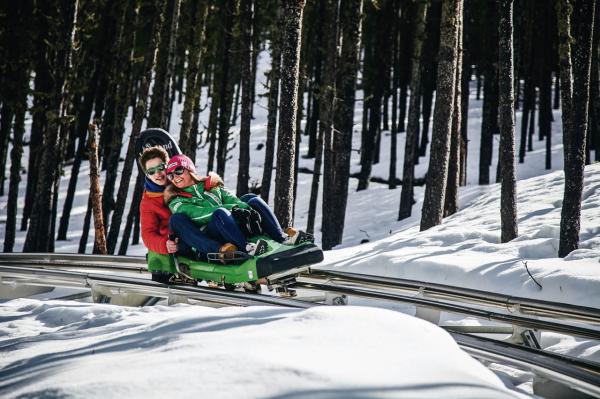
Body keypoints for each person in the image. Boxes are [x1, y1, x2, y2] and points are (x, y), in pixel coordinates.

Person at [164, 154, 312, 259]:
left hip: (230, 225)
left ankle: (282, 238)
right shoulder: (176, 200)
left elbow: (233, 199)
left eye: (178, 171)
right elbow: (197, 214)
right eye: (171, 176)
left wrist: (244, 209)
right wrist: (231, 209)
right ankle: (247, 248)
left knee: (251, 199)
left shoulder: (211, 186)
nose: (175, 178)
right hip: (211, 232)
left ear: (189, 169)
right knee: (219, 212)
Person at [139, 147, 227, 277]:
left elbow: (200, 191)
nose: (157, 173)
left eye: (161, 167)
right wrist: (164, 244)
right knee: (178, 219)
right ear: (147, 174)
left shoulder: (180, 181)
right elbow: (147, 234)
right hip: (179, 242)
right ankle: (220, 251)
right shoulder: (149, 202)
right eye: (151, 171)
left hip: (202, 229)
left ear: (168, 165)